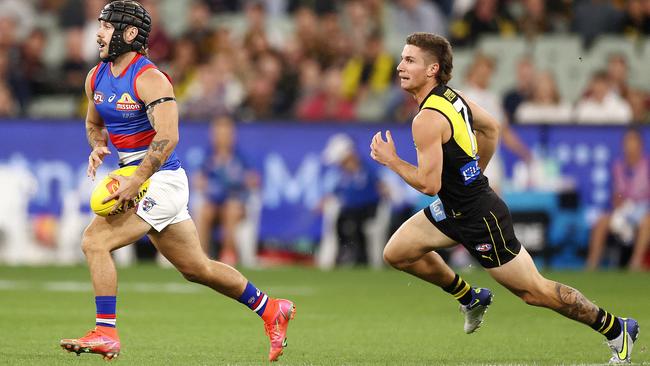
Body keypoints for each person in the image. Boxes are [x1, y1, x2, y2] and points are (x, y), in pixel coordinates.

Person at [369, 32, 639, 363]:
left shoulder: (425, 119)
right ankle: (470, 297)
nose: (399, 66)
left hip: (479, 217)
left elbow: (428, 184)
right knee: (397, 253)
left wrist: (392, 160)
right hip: (455, 208)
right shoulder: (454, 99)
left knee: (535, 292)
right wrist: (474, 173)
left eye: (409, 60)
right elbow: (492, 128)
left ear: (432, 69)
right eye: (402, 58)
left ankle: (616, 328)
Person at [59, 1, 295, 362]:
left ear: (130, 34)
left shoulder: (149, 77)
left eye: (107, 26)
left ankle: (106, 332)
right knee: (196, 269)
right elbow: (94, 124)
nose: (99, 32)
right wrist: (97, 146)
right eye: (100, 25)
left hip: (162, 180)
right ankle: (270, 308)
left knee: (94, 241)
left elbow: (168, 137)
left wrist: (137, 180)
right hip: (136, 178)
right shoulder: (96, 77)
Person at [195, 115, 259, 265]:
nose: (222, 138)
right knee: (205, 211)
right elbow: (199, 179)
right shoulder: (208, 157)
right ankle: (201, 256)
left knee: (231, 210)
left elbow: (253, 179)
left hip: (236, 202)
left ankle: (228, 253)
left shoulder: (240, 157)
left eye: (225, 134)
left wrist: (240, 179)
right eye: (218, 133)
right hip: (214, 202)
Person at [586, 129, 650, 271]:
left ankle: (635, 264)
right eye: (627, 142)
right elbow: (616, 194)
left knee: (647, 221)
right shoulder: (618, 167)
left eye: (633, 142)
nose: (629, 146)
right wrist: (619, 204)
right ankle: (591, 264)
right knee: (602, 221)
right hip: (623, 211)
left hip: (643, 209)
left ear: (640, 145)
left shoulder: (647, 165)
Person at [322, 133, 383, 265]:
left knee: (357, 225)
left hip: (368, 211)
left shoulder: (367, 171)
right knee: (341, 221)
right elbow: (336, 193)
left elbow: (379, 191)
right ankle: (343, 254)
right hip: (350, 212)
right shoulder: (342, 175)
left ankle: (362, 258)